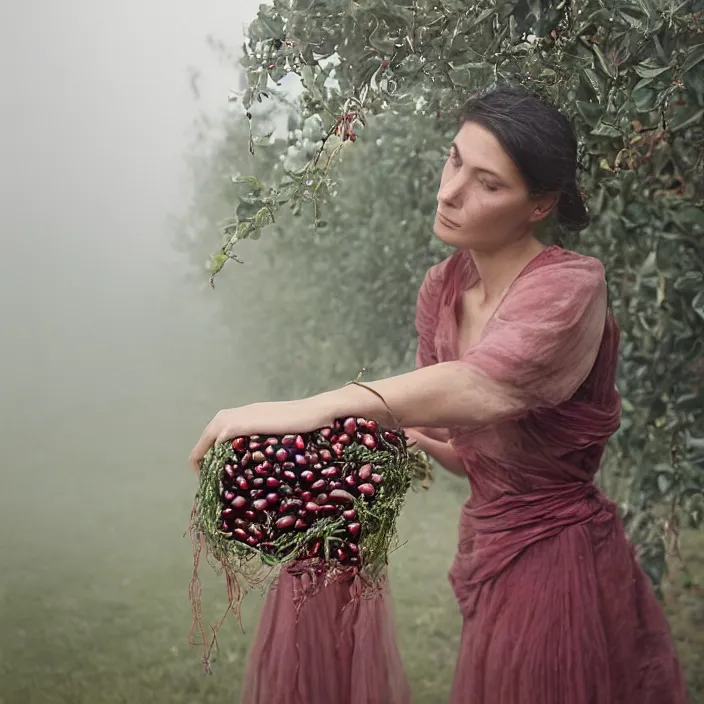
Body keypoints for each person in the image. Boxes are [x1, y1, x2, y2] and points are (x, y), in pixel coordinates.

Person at [190, 85, 688, 703]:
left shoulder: (570, 288)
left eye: (488, 183)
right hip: (486, 545)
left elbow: (479, 387)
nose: (450, 191)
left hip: (558, 558)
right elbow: (464, 447)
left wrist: (310, 405)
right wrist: (347, 445)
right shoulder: (443, 292)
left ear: (540, 206)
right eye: (454, 160)